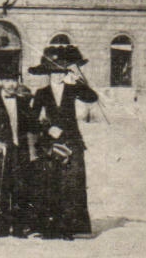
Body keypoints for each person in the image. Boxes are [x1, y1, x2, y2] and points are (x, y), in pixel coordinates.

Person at [28, 43, 98, 239]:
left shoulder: (72, 89)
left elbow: (92, 97)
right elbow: (31, 120)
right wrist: (47, 128)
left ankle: (73, 227)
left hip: (72, 140)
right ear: (47, 74)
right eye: (53, 72)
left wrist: (78, 82)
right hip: (50, 143)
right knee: (51, 184)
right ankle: (51, 227)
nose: (57, 76)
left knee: (73, 183)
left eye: (61, 72)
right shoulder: (41, 93)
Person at [0, 76, 37, 237]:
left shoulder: (22, 101)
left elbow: (32, 124)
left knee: (20, 187)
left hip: (20, 150)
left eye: (14, 80)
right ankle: (3, 227)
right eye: (7, 81)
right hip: (2, 150)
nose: (11, 84)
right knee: (3, 188)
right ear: (0, 83)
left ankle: (19, 228)